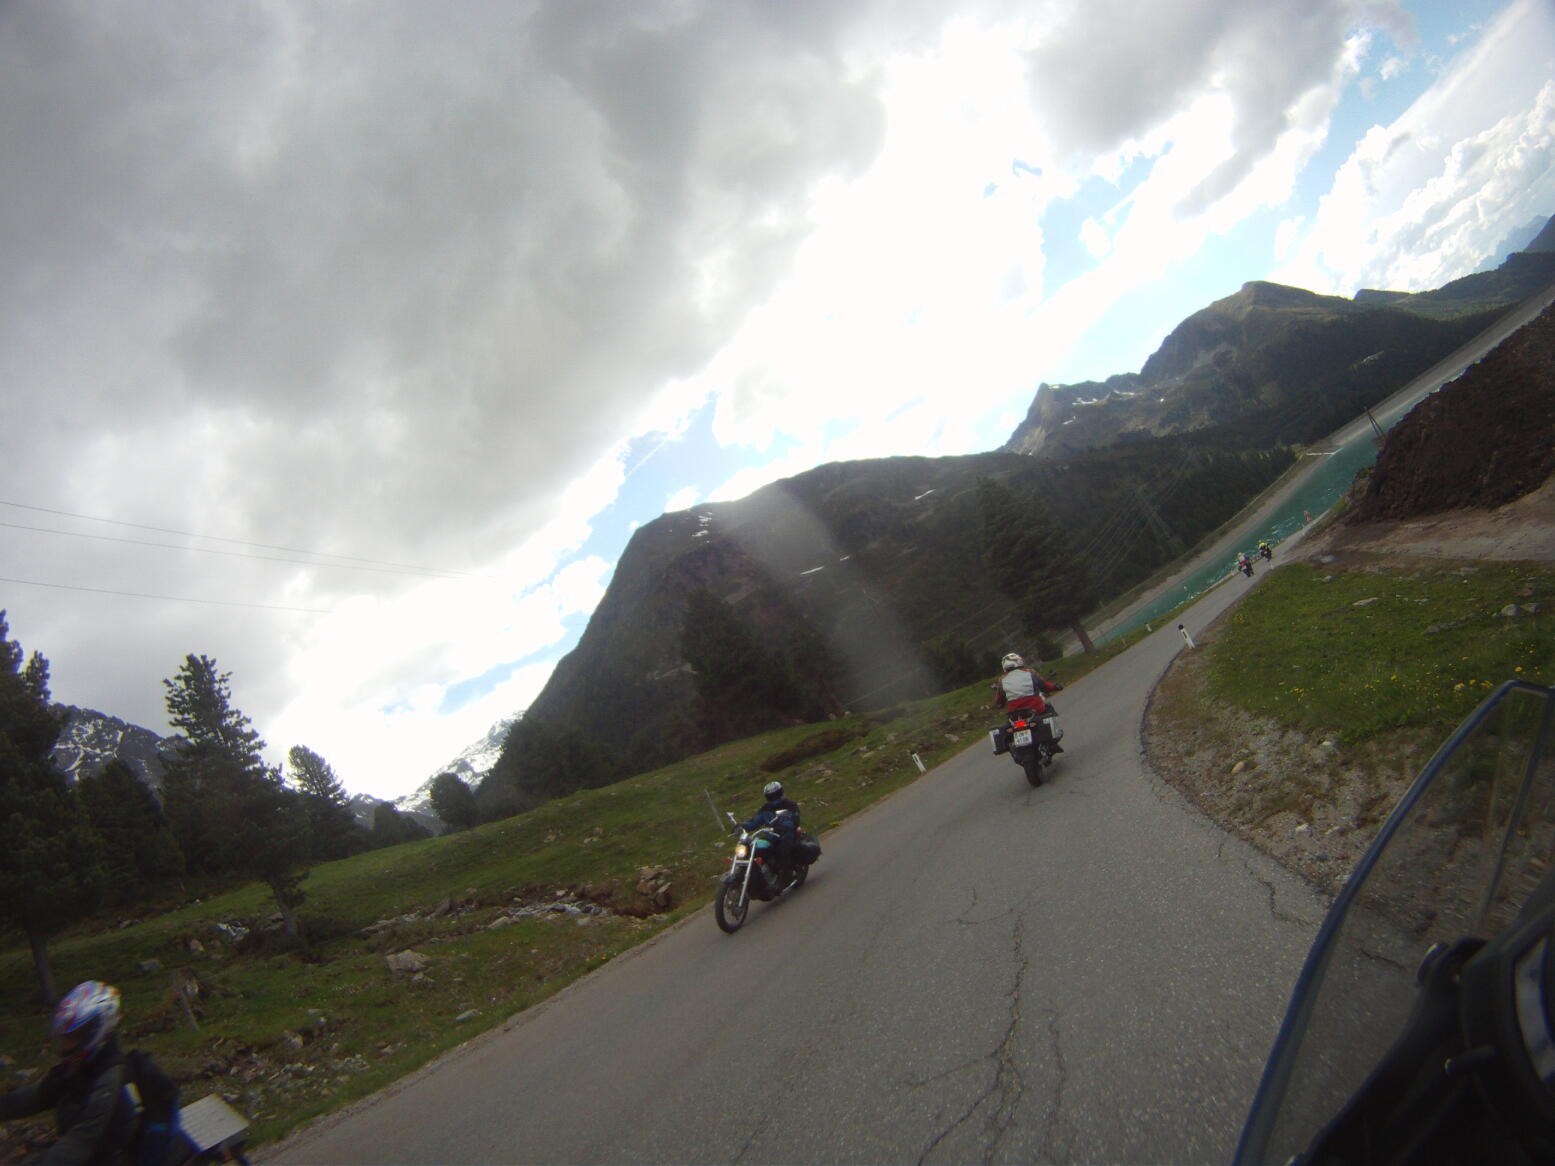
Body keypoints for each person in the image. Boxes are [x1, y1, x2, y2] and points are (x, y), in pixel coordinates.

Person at [0, 981, 141, 1166]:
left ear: (94, 1032)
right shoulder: (78, 1067)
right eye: (64, 1037)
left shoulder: (110, 1077)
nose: (65, 1046)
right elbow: (35, 1097)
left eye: (73, 1036)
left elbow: (82, 1140)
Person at [739, 781, 801, 888]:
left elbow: (795, 819)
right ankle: (756, 876)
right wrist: (741, 826)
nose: (774, 797)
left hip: (786, 836)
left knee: (783, 851)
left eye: (775, 794)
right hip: (771, 836)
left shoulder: (789, 805)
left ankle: (785, 878)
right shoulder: (766, 809)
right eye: (771, 796)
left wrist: (786, 826)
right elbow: (754, 822)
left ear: (780, 793)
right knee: (754, 848)